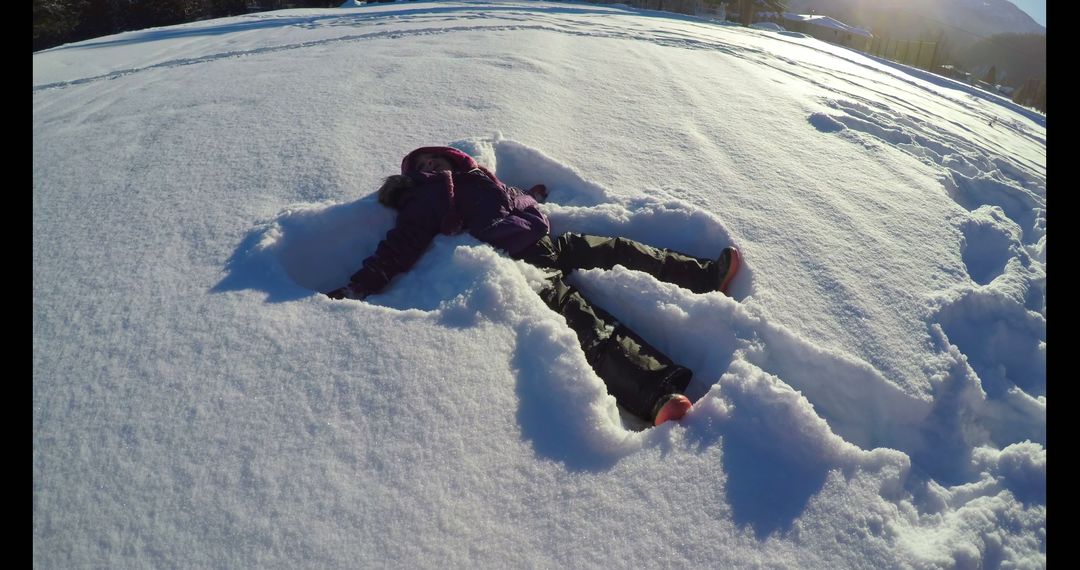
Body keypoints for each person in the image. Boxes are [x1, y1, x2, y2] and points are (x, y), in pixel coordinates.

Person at [326, 147, 740, 426]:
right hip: (523, 262)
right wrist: (362, 283)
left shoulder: (477, 179)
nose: (432, 169)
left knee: (618, 248)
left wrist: (532, 195)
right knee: (584, 321)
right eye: (423, 168)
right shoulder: (429, 197)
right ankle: (655, 395)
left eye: (436, 161)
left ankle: (704, 275)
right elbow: (402, 244)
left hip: (546, 244)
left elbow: (511, 201)